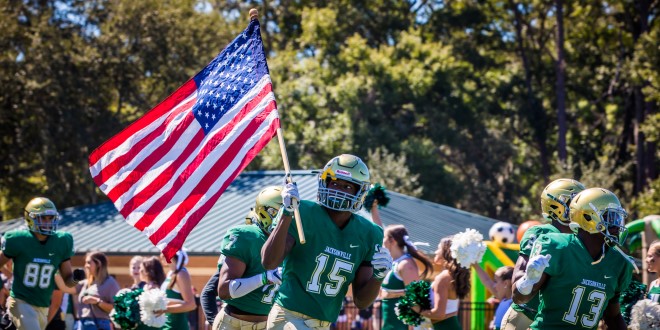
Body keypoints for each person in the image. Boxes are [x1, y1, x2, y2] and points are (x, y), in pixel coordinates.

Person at [262, 154, 392, 329]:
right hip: (288, 316)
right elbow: (269, 262)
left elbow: (361, 302)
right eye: (335, 183)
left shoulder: (370, 233)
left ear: (359, 192)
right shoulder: (302, 212)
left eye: (347, 186)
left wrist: (378, 277)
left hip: (324, 324)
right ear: (324, 182)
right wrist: (286, 214)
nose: (339, 189)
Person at [512, 187, 634, 329]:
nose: (617, 225)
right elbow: (519, 298)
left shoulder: (619, 263)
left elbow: (613, 316)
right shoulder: (557, 246)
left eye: (618, 218)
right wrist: (528, 280)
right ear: (588, 217)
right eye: (611, 217)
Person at [503, 178, 585, 329]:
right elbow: (518, 277)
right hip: (525, 316)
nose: (578, 207)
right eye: (572, 202)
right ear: (554, 205)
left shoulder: (583, 240)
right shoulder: (541, 232)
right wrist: (530, 278)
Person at [0, 197, 85, 330]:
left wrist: (76, 278)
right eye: (42, 218)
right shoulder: (18, 239)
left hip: (43, 306)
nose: (47, 222)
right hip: (20, 301)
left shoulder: (62, 241)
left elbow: (67, 281)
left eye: (50, 218)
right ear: (30, 218)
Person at [212, 186, 285, 330]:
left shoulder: (289, 242)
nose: (284, 218)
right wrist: (265, 278)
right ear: (263, 211)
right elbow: (225, 290)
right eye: (278, 213)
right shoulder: (246, 235)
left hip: (270, 325)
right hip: (234, 323)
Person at [379, 225, 433, 330]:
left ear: (392, 241)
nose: (382, 241)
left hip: (401, 325)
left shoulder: (406, 265)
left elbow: (414, 299)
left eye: (384, 237)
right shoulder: (393, 262)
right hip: (389, 322)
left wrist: (411, 327)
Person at [411, 236, 470, 329]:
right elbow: (452, 310)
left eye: (438, 248)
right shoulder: (451, 276)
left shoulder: (443, 278)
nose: (435, 252)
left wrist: (415, 308)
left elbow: (439, 314)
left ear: (446, 252)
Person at [69, 251, 121, 330]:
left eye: (89, 263)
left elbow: (117, 308)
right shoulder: (86, 283)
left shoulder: (110, 283)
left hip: (99, 324)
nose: (85, 266)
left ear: (98, 264)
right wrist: (57, 269)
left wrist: (97, 301)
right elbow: (66, 288)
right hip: (82, 324)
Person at [159, 249, 197, 330]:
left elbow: (191, 305)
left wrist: (162, 309)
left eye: (163, 251)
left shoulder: (181, 274)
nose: (160, 255)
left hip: (177, 326)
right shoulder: (170, 273)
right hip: (166, 324)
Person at [473, 265, 513, 330]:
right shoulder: (504, 299)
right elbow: (486, 281)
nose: (494, 286)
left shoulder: (514, 303)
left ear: (506, 283)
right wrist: (475, 265)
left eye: (496, 281)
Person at [136, 256, 166, 330]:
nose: (139, 271)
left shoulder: (153, 287)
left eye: (142, 269)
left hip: (151, 326)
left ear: (148, 272)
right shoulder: (146, 286)